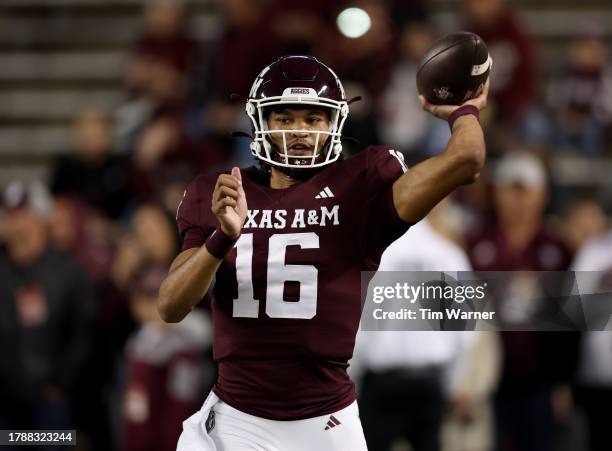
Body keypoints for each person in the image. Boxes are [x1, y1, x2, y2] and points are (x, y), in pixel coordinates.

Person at [157, 55, 489, 450]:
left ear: (335, 123)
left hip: (326, 423)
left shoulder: (360, 187)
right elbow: (170, 306)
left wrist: (463, 111)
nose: (300, 132)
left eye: (313, 120)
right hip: (236, 420)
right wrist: (222, 238)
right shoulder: (223, 190)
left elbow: (466, 160)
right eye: (285, 119)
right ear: (260, 123)